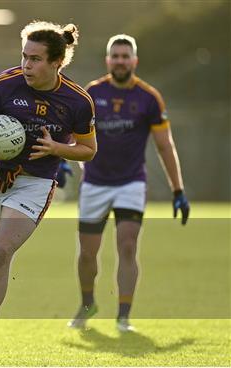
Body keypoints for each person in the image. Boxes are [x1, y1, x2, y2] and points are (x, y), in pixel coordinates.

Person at [0, 21, 97, 365]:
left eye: (35, 59)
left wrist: (55, 148)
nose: (26, 65)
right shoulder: (6, 84)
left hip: (35, 183)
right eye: (24, 56)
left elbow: (89, 149)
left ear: (56, 63)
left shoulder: (77, 101)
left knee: (2, 250)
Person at [67, 34, 189, 332]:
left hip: (130, 184)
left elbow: (165, 146)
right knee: (87, 254)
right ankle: (87, 304)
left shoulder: (148, 98)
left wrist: (178, 190)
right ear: (108, 60)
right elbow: (71, 133)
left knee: (128, 245)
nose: (120, 61)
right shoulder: (92, 93)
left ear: (134, 60)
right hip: (94, 183)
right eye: (115, 56)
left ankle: (123, 316)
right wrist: (59, 160)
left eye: (126, 56)